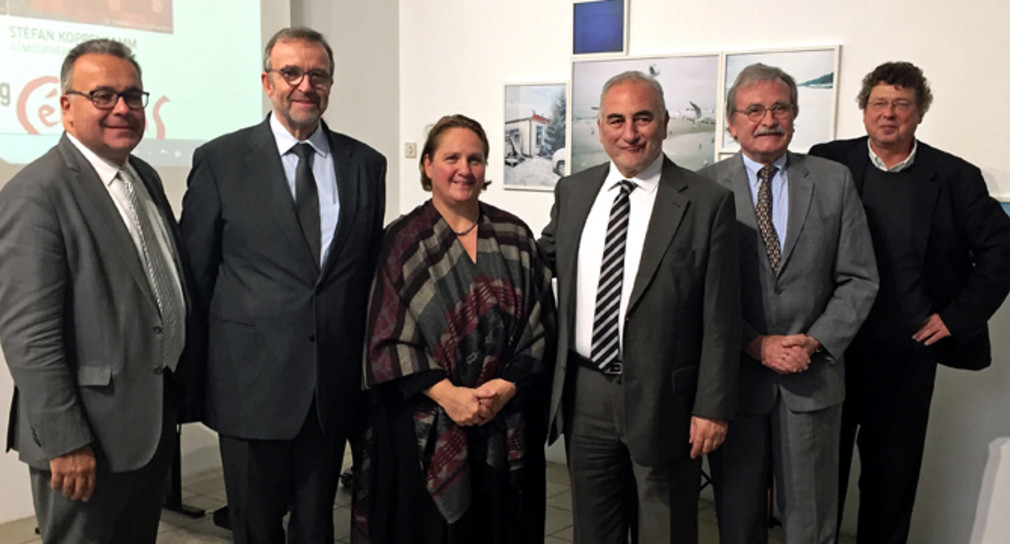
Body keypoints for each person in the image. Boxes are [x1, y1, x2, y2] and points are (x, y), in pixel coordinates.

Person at [179, 27, 386, 543]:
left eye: (317, 74)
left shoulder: (366, 165)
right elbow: (196, 278)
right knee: (255, 528)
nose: (304, 85)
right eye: (291, 73)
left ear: (331, 84)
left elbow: (361, 275)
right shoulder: (220, 160)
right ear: (267, 81)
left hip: (329, 387)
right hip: (248, 386)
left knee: (317, 528)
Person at [0, 38, 198, 543]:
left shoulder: (144, 177)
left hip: (146, 422)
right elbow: (29, 336)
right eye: (103, 96)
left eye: (133, 97)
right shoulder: (37, 194)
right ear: (66, 107)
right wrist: (66, 442)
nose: (123, 109)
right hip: (85, 438)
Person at [809, 61, 1010, 544]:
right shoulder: (828, 162)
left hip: (907, 356)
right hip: (833, 350)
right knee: (817, 477)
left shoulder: (956, 177)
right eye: (879, 103)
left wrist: (957, 317)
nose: (889, 114)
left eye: (901, 104)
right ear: (863, 111)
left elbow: (1002, 251)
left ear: (919, 113)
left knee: (891, 480)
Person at [540, 70, 741, 543]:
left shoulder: (707, 203)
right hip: (585, 393)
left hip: (665, 399)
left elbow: (721, 315)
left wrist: (712, 407)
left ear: (666, 122)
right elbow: (537, 259)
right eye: (616, 120)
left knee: (665, 530)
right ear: (600, 127)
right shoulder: (574, 192)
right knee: (594, 529)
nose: (629, 133)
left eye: (642, 118)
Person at [351, 114, 554, 543]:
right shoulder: (402, 241)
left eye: (475, 159)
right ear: (427, 165)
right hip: (424, 426)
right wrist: (449, 395)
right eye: (451, 157)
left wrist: (504, 388)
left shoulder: (514, 235)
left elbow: (541, 326)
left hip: (502, 418)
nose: (465, 169)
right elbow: (385, 339)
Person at [698, 63, 878, 544]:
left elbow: (860, 278)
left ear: (795, 117)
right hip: (734, 384)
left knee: (813, 521)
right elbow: (695, 292)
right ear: (732, 123)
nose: (768, 119)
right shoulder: (704, 188)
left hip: (811, 378)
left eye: (779, 107)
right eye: (753, 110)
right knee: (738, 519)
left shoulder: (833, 180)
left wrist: (815, 341)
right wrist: (755, 344)